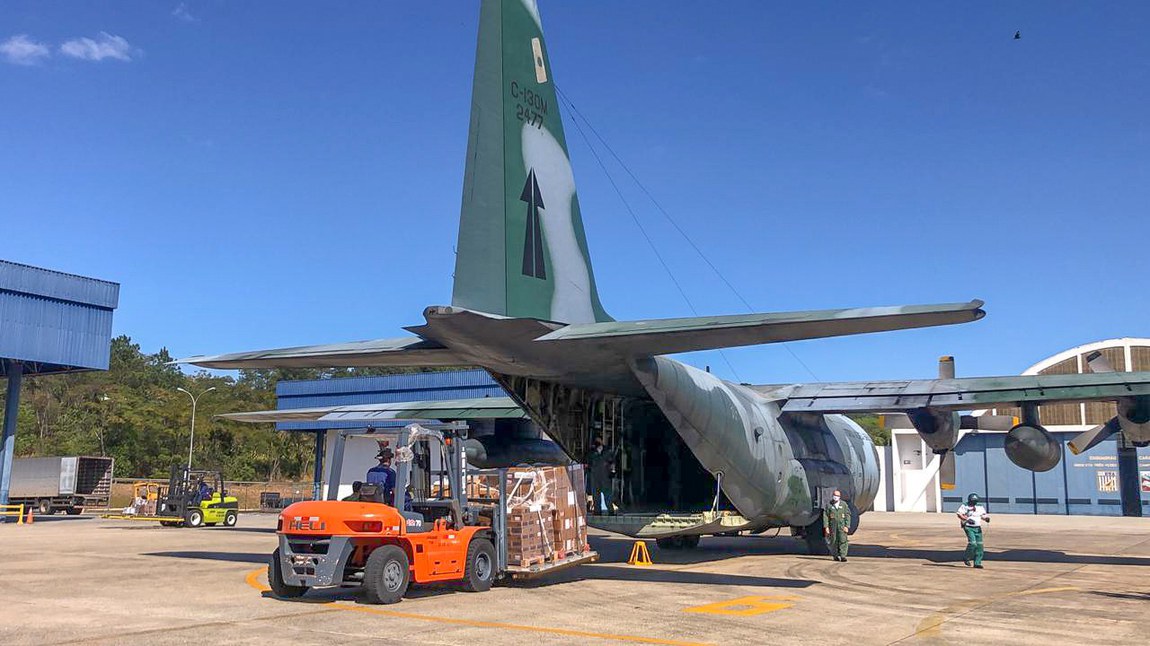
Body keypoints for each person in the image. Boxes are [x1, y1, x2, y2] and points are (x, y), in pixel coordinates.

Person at [957, 492, 990, 568]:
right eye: (972, 501)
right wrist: (967, 519)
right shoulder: (964, 506)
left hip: (977, 527)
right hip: (968, 527)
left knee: (979, 545)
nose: (974, 503)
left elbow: (983, 515)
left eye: (975, 501)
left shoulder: (980, 507)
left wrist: (986, 518)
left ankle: (977, 562)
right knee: (973, 543)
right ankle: (966, 557)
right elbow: (959, 514)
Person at [586, 438, 615, 515]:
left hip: (605, 476)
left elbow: (612, 463)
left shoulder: (607, 451)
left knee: (607, 494)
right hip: (595, 476)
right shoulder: (592, 452)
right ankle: (597, 511)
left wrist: (612, 472)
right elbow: (588, 463)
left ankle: (611, 511)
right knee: (596, 494)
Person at [822, 489, 851, 562]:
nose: (836, 497)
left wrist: (847, 526)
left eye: (837, 495)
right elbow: (825, 516)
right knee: (833, 541)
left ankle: (843, 556)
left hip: (842, 526)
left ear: (839, 497)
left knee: (843, 540)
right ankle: (835, 556)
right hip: (833, 526)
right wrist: (826, 527)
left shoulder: (843, 504)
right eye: (834, 495)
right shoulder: (829, 505)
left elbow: (848, 515)